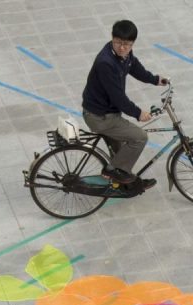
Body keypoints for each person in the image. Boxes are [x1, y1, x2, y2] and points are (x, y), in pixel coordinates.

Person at [81, 19, 168, 189]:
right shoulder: (105, 62)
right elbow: (118, 98)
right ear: (112, 38)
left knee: (122, 151)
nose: (122, 47)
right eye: (118, 42)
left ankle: (124, 183)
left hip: (107, 113)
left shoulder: (124, 55)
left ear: (132, 44)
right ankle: (111, 171)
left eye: (127, 44)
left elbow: (134, 67)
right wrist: (138, 113)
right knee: (139, 137)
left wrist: (155, 79)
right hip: (100, 117)